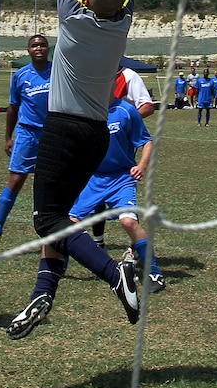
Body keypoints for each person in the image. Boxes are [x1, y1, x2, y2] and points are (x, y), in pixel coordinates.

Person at [7, 0, 144, 340]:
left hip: (63, 129)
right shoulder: (119, 21)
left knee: (46, 217)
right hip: (95, 135)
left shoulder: (71, 17)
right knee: (60, 216)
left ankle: (113, 273)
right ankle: (43, 293)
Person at [70, 84, 165, 293]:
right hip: (93, 179)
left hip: (121, 178)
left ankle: (154, 272)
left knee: (129, 221)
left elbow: (146, 142)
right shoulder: (86, 112)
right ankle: (56, 267)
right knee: (69, 224)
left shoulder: (126, 110)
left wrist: (141, 165)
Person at [0, 34, 52, 255]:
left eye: (42, 44)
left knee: (52, 183)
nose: (39, 48)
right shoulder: (21, 76)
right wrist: (8, 137)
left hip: (53, 134)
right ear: (29, 50)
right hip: (27, 134)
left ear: (48, 48)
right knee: (15, 180)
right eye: (34, 45)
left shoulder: (59, 72)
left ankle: (54, 235)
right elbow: (13, 107)